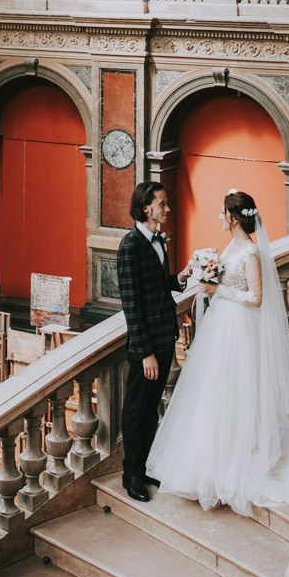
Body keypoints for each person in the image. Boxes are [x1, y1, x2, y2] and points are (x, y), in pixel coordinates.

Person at [146, 190, 289, 517]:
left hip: (240, 328)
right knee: (218, 390)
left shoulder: (251, 252)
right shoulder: (231, 247)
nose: (219, 217)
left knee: (241, 387)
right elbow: (224, 277)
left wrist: (218, 289)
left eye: (222, 212)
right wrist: (201, 273)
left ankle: (247, 448)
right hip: (223, 327)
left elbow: (256, 298)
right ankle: (216, 452)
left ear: (232, 217)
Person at [116, 181, 186, 503]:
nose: (167, 209)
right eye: (163, 203)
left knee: (150, 410)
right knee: (135, 409)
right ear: (146, 208)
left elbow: (158, 288)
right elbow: (132, 306)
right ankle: (131, 474)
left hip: (164, 337)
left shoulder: (159, 241)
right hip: (146, 349)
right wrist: (144, 354)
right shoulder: (130, 246)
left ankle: (144, 466)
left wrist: (180, 279)